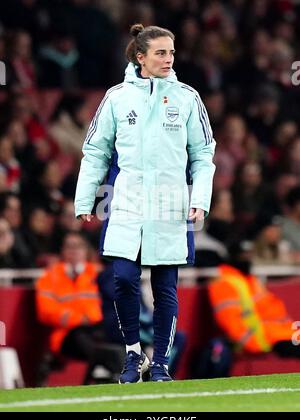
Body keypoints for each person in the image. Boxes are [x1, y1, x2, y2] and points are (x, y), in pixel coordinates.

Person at [74, 24, 216, 383]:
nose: (169, 59)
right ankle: (133, 355)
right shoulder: (117, 97)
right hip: (125, 201)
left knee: (165, 286)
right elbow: (95, 150)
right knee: (123, 279)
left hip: (171, 204)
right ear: (141, 57)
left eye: (171, 52)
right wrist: (85, 197)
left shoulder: (187, 97)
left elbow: (203, 154)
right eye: (160, 53)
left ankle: (161, 363)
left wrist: (200, 199)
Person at [35, 232, 125, 384]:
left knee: (115, 334)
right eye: (69, 246)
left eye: (78, 246)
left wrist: (90, 318)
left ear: (86, 250)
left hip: (96, 329)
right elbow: (45, 311)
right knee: (82, 337)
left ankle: (111, 366)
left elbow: (107, 304)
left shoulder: (97, 273)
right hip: (66, 335)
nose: (74, 251)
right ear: (62, 251)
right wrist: (79, 319)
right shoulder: (50, 276)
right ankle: (114, 365)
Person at [208, 241, 300, 359]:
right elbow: (231, 323)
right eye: (242, 255)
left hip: (284, 334)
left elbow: (275, 312)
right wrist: (257, 345)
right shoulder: (224, 283)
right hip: (266, 340)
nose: (246, 258)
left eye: (248, 254)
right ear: (232, 257)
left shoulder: (252, 281)